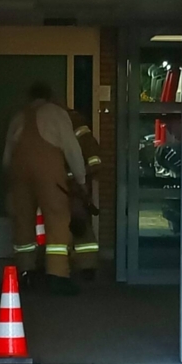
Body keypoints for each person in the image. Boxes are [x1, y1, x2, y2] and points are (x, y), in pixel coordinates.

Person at [3, 82, 86, 294]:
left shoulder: (18, 117)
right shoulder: (56, 114)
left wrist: (10, 179)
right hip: (50, 174)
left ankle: (25, 273)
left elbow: (7, 156)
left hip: (18, 173)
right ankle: (57, 276)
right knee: (57, 219)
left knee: (23, 221)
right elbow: (71, 148)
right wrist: (80, 178)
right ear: (50, 96)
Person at [64, 107, 101, 282]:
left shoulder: (77, 131)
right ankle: (84, 265)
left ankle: (86, 266)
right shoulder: (74, 128)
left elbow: (95, 161)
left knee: (79, 225)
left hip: (76, 188)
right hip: (70, 185)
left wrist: (79, 177)